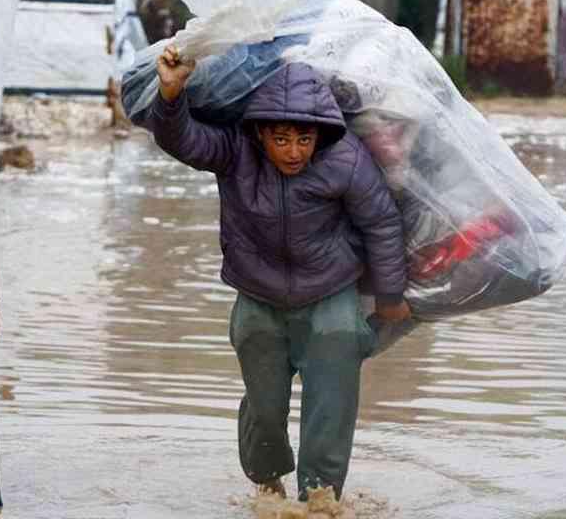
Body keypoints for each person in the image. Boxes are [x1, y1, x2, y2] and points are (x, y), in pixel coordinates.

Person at [146, 45, 411, 501]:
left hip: (330, 297)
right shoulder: (234, 151)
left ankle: (320, 500)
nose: (294, 151)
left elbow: (381, 223)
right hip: (257, 297)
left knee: (330, 407)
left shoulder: (345, 158)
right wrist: (170, 95)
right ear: (260, 133)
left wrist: (390, 294)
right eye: (282, 139)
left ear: (320, 134)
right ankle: (267, 487)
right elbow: (182, 140)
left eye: (304, 140)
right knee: (265, 411)